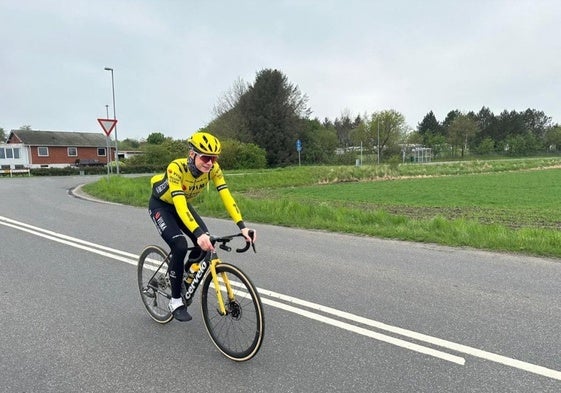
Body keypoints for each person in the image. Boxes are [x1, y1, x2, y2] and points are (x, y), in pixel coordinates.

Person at [148, 132, 256, 321]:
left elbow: (226, 197)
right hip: (162, 206)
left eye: (213, 158)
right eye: (205, 157)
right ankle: (175, 301)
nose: (210, 163)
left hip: (182, 205)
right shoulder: (176, 168)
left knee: (205, 243)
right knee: (180, 245)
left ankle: (185, 277)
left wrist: (242, 227)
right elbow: (179, 205)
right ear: (192, 155)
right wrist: (198, 233)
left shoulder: (213, 169)